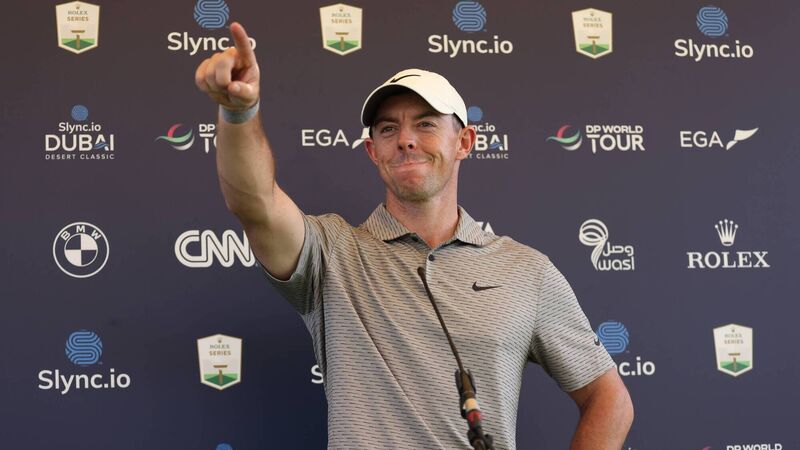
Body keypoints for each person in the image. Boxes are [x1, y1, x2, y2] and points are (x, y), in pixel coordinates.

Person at [195, 22, 634, 450]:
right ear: (373, 151)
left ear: (464, 142)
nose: (405, 139)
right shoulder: (331, 253)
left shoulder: (527, 270)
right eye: (388, 129)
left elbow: (609, 399)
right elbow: (255, 203)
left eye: (425, 124)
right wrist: (239, 112)